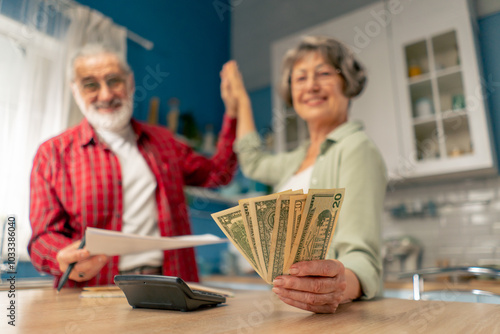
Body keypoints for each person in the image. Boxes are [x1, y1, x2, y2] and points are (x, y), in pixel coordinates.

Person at [28, 44, 238, 288]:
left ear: (130, 83)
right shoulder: (52, 153)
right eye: (90, 85)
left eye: (113, 81)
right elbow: (42, 238)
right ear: (75, 91)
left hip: (173, 285)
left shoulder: (165, 141)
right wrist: (60, 256)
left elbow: (218, 174)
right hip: (94, 295)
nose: (106, 95)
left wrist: (233, 112)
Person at [220, 36, 387, 313]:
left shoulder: (357, 149)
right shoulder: (296, 159)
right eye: (300, 78)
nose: (311, 85)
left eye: (323, 73)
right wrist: (241, 102)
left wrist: (336, 286)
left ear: (346, 82)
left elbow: (362, 258)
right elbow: (253, 162)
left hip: (330, 320)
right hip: (287, 314)